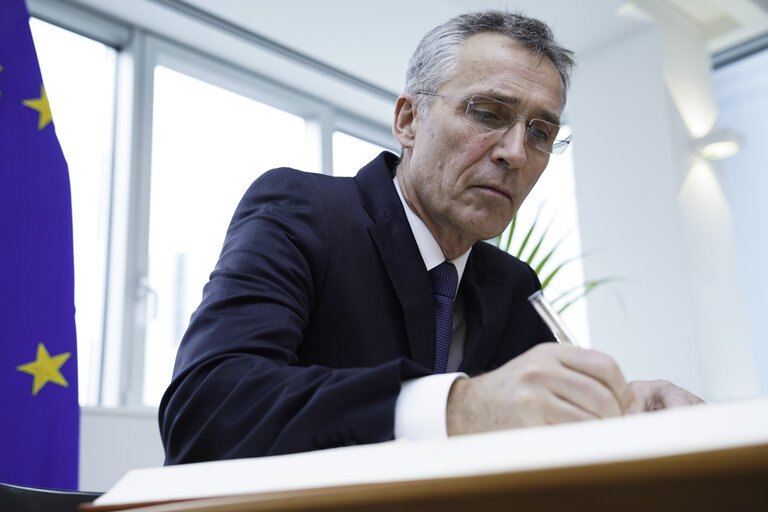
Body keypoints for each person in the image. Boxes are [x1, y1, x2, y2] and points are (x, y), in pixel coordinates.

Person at [159, 10, 701, 465]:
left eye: (541, 133)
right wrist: (459, 408)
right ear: (408, 120)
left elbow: (536, 438)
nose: (515, 151)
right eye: (488, 112)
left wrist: (616, 415)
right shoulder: (303, 210)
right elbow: (206, 411)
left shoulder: (513, 284)